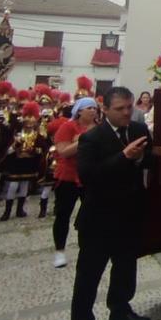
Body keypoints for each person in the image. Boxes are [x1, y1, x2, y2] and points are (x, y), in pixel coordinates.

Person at [69, 86, 152, 320]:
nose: (127, 112)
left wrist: (140, 160)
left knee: (125, 268)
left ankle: (120, 310)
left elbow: (150, 160)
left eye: (130, 107)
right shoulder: (92, 138)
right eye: (120, 109)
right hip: (99, 219)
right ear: (105, 109)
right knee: (88, 277)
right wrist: (124, 157)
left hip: (130, 214)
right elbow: (89, 175)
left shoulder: (139, 130)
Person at [51, 97, 95, 268]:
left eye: (94, 108)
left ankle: (87, 248)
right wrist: (83, 140)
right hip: (68, 177)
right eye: (88, 108)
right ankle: (59, 251)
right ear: (79, 111)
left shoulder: (99, 128)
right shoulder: (67, 127)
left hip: (90, 177)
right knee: (63, 215)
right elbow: (63, 151)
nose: (93, 110)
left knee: (90, 214)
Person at [1, 102, 50, 221]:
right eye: (27, 123)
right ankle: (7, 211)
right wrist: (15, 146)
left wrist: (36, 150)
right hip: (16, 163)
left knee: (24, 186)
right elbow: (8, 151)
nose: (29, 125)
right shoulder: (16, 135)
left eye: (31, 124)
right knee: (13, 186)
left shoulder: (37, 136)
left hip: (29, 163)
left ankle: (20, 209)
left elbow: (43, 150)